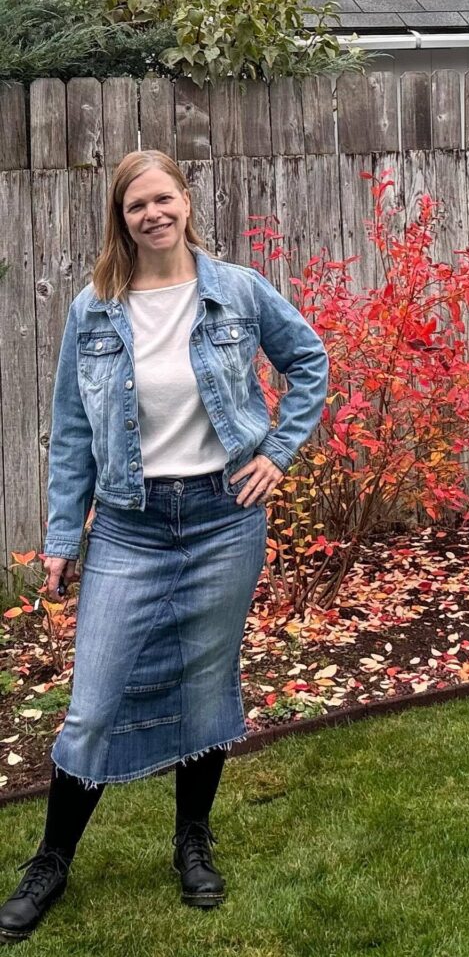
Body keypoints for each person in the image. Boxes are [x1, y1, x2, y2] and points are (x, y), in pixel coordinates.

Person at [0, 150, 329, 945]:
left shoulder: (237, 290)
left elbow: (309, 361)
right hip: (129, 525)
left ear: (186, 200)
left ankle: (192, 840)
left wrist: (276, 453)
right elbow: (74, 429)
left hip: (223, 518)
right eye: (134, 205)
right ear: (121, 219)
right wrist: (59, 536)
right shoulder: (95, 309)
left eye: (162, 198)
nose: (152, 214)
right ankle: (50, 860)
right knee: (93, 702)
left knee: (204, 684)